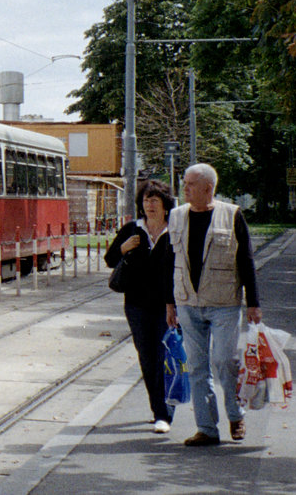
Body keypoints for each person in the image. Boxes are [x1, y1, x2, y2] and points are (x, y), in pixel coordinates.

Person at [166, 162, 262, 446]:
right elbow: (168, 263)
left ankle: (236, 414)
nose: (185, 188)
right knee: (196, 366)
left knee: (224, 361)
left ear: (208, 188)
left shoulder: (231, 215)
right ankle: (207, 428)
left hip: (223, 302)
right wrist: (169, 303)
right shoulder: (177, 216)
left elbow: (246, 260)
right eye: (184, 183)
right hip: (187, 302)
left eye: (190, 184)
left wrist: (254, 303)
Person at [105, 179, 176, 433]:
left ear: (165, 204)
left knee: (166, 357)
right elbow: (110, 259)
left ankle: (167, 410)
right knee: (147, 358)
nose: (150, 205)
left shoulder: (176, 229)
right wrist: (123, 249)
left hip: (168, 306)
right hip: (136, 305)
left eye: (155, 200)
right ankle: (160, 411)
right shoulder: (132, 229)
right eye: (146, 200)